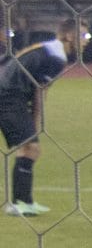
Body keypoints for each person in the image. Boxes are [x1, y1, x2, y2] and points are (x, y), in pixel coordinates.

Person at [2, 17, 85, 218]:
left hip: (11, 95)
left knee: (29, 149)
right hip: (8, 97)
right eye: (83, 35)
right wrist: (36, 123)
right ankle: (18, 204)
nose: (86, 40)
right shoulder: (57, 57)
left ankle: (24, 202)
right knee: (31, 147)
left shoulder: (47, 48)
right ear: (68, 35)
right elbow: (40, 91)